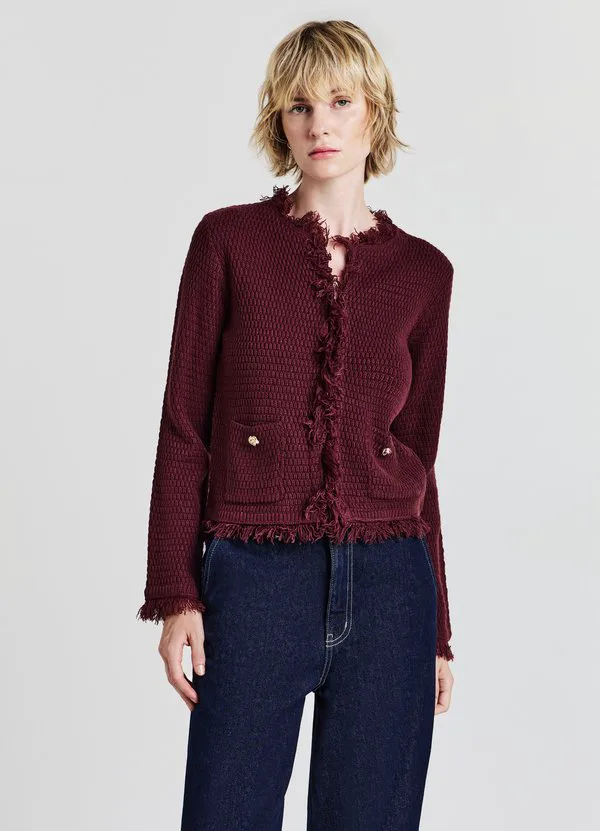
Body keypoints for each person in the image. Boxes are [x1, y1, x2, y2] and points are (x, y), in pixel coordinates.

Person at [137, 18, 456, 831]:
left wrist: (438, 630)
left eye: (341, 101)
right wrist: (176, 591)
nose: (320, 124)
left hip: (392, 588)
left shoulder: (424, 273)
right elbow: (183, 427)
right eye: (299, 106)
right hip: (254, 579)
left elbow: (418, 457)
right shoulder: (228, 242)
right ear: (278, 121)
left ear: (374, 112)